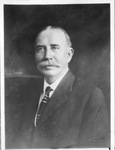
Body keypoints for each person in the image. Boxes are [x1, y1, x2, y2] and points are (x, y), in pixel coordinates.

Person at [5, 26, 109, 148]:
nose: (47, 55)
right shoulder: (21, 94)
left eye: (54, 47)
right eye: (40, 49)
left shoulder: (91, 96)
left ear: (69, 54)